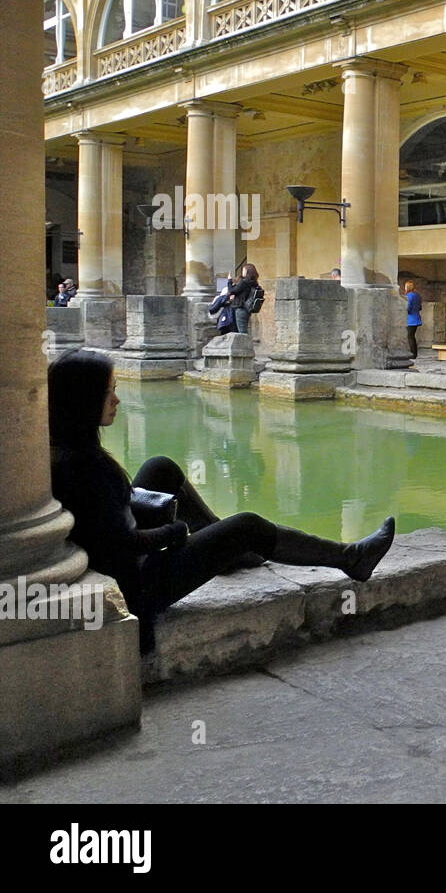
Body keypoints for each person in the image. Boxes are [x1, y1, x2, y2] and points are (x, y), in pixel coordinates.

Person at [48, 349, 396, 653]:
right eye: (109, 393)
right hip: (136, 588)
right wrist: (175, 532)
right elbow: (124, 545)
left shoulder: (63, 448)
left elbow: (104, 524)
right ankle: (351, 558)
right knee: (248, 525)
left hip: (116, 560)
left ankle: (228, 551)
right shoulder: (86, 466)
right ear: (83, 401)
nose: (117, 401)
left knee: (160, 468)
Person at [227, 263, 262, 335]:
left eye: (243, 270)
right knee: (243, 330)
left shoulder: (244, 282)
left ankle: (245, 346)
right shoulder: (254, 282)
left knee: (242, 332)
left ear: (247, 272)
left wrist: (229, 281)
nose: (242, 272)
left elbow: (232, 291)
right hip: (247, 309)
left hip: (240, 308)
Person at [404, 280, 422, 359]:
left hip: (410, 319)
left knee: (410, 337)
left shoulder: (408, 296)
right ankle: (414, 353)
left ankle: (413, 353)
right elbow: (420, 307)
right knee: (412, 336)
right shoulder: (417, 295)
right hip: (417, 318)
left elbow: (408, 308)